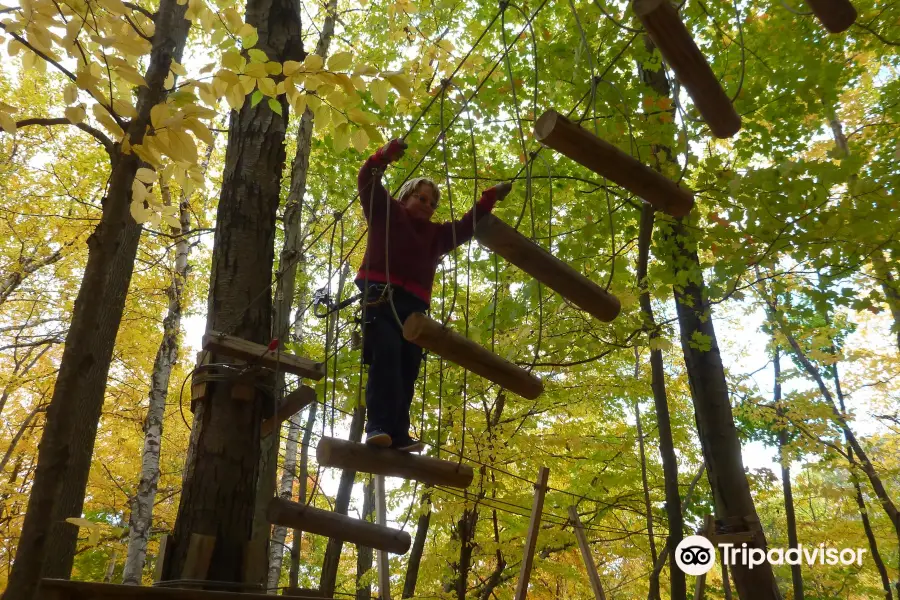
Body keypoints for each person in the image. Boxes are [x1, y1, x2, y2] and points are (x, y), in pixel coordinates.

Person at [356, 138, 512, 452]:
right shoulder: (386, 211)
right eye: (421, 198)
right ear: (405, 196)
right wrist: (381, 157)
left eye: (432, 203)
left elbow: (466, 227)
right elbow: (367, 182)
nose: (427, 205)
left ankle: (398, 434)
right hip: (380, 297)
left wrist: (488, 199)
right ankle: (377, 427)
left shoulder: (437, 235)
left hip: (413, 307)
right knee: (385, 353)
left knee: (408, 366)